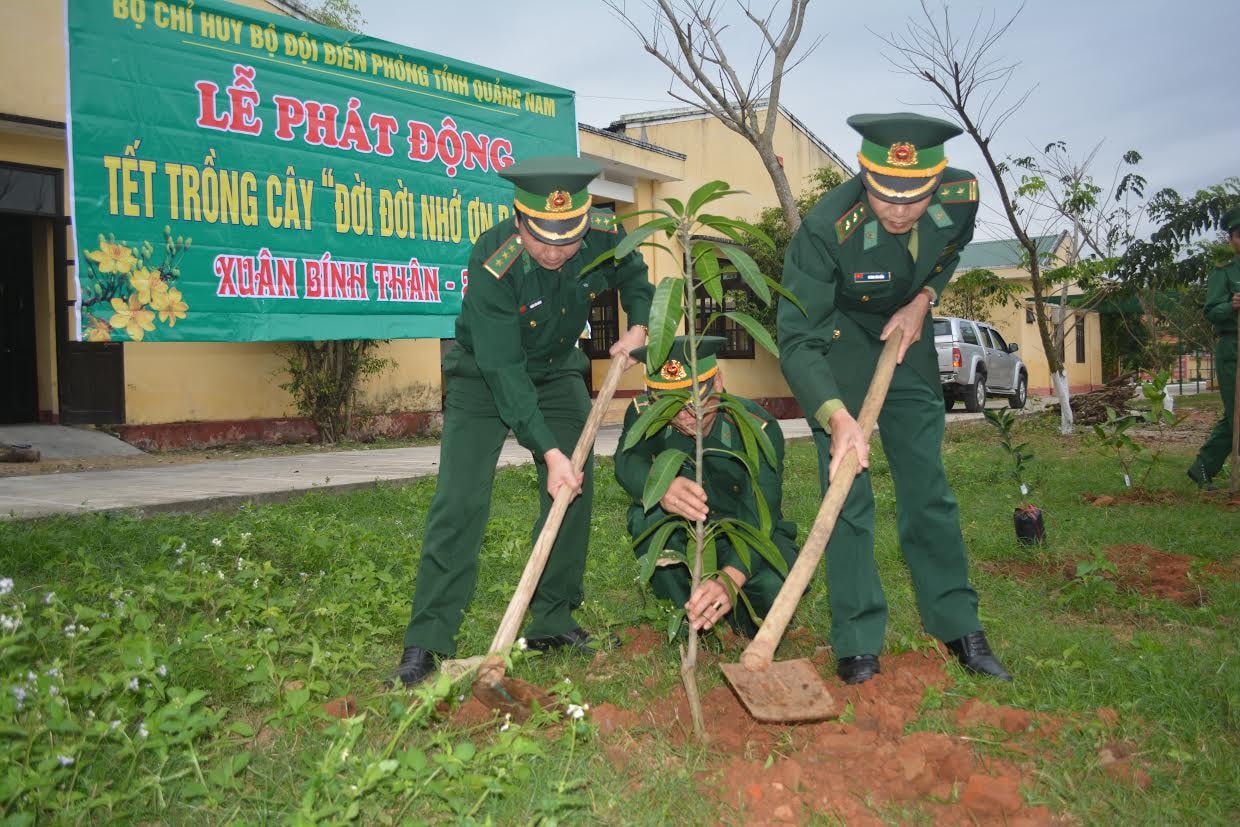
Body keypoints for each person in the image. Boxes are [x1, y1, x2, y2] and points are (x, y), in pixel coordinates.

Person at [393, 156, 653, 687]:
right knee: (460, 499)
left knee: (573, 491)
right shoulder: (494, 260)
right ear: (519, 221)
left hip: (558, 372)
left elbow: (635, 275)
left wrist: (643, 324)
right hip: (484, 376)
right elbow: (503, 370)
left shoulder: (603, 233)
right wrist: (548, 450)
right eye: (544, 240)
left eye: (568, 240)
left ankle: (553, 618)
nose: (557, 251)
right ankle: (429, 637)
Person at [777, 112, 1011, 685]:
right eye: (886, 194)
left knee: (926, 481)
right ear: (864, 173)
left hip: (908, 333)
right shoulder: (826, 228)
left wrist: (925, 297)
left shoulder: (959, 198)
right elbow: (797, 337)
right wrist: (836, 416)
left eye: (915, 196)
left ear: (934, 181)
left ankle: (958, 623)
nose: (901, 209)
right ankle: (857, 640)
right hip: (839, 337)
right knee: (846, 487)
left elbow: (949, 251)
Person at [614, 336, 798, 635]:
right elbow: (626, 460)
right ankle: (685, 615)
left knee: (771, 593)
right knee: (646, 518)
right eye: (671, 405)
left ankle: (730, 611)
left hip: (743, 536)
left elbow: (760, 514)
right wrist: (660, 486)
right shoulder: (642, 413)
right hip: (683, 533)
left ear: (719, 382)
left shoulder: (756, 428)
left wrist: (730, 579)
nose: (689, 416)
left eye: (697, 398)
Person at [1187, 206, 1240, 490]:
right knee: (1237, 413)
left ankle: (1202, 468)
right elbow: (1210, 310)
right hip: (1234, 346)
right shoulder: (1225, 273)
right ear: (1231, 239)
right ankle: (1204, 467)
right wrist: (1229, 306)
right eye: (1238, 235)